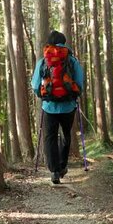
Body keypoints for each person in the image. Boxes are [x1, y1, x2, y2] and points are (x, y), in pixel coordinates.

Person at [31, 30, 84, 184]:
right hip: (68, 106)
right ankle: (62, 167)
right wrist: (76, 94)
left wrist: (42, 96)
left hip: (49, 106)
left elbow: (35, 85)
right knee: (66, 135)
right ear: (63, 42)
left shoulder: (43, 61)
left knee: (50, 138)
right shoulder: (72, 60)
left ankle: (54, 171)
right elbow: (79, 82)